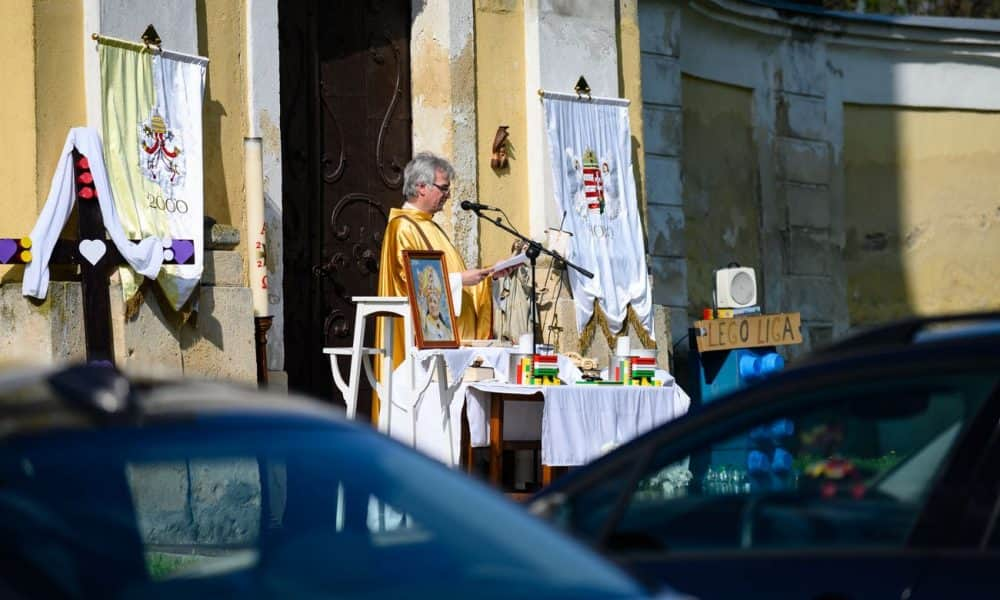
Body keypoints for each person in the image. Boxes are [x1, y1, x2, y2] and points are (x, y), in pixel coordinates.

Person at [374, 152, 502, 419]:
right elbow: (415, 284)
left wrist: (488, 276)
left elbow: (450, 276)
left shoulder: (431, 228)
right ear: (421, 187)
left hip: (449, 345)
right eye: (443, 188)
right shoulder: (403, 227)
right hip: (422, 343)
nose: (448, 195)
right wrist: (462, 281)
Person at [416, 265, 452, 341]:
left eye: (434, 302)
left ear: (439, 304)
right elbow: (421, 309)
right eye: (430, 302)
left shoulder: (446, 329)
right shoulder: (424, 322)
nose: (432, 305)